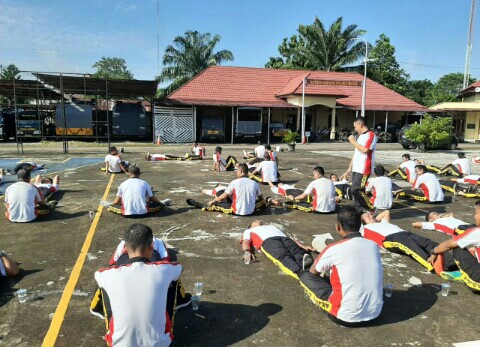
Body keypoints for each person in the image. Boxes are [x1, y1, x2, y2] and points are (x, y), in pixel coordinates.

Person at [92, 224, 185, 346]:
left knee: (104, 284)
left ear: (125, 247)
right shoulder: (163, 269)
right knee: (173, 280)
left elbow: (97, 274)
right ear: (151, 247)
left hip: (118, 344)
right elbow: (179, 267)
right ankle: (182, 301)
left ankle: (101, 311)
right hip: (161, 344)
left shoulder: (110, 274)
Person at [298, 206, 383, 326]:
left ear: (338, 226)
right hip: (375, 315)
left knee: (305, 275)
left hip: (344, 316)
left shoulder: (334, 248)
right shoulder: (373, 245)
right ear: (360, 225)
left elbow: (313, 272)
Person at [361, 211, 461, 281]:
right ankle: (432, 265)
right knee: (412, 247)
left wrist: (374, 218)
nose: (370, 215)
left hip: (405, 232)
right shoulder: (365, 229)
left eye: (370, 214)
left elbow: (386, 212)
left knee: (428, 243)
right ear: (363, 222)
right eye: (367, 216)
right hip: (391, 238)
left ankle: (452, 263)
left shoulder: (382, 222)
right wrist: (368, 221)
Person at [427, 201, 480, 292]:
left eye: (476, 213)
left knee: (456, 246)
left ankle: (463, 276)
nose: (474, 216)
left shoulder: (476, 231)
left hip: (477, 280)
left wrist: (433, 252)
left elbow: (448, 245)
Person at [241, 221, 314, 278]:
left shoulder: (271, 226)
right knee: (283, 255)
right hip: (268, 241)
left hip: (285, 239)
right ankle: (300, 273)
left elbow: (289, 237)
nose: (257, 220)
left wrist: (303, 246)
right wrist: (247, 251)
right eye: (254, 221)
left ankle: (310, 270)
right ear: (250, 226)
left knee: (297, 252)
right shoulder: (249, 231)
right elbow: (246, 241)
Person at [186, 163, 267, 215]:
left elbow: (223, 197)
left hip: (237, 211)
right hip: (251, 211)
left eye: (237, 171)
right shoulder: (254, 183)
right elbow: (261, 197)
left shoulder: (234, 182)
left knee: (217, 204)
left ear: (241, 171)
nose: (236, 173)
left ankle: (202, 206)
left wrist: (213, 201)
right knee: (260, 201)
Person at [342, 116, 377, 212]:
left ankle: (370, 208)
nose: (355, 129)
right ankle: (358, 211)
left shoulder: (371, 135)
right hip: (356, 168)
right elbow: (356, 153)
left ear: (360, 125)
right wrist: (349, 168)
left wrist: (353, 142)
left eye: (355, 126)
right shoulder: (360, 137)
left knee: (356, 189)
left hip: (364, 168)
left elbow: (365, 150)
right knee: (355, 192)